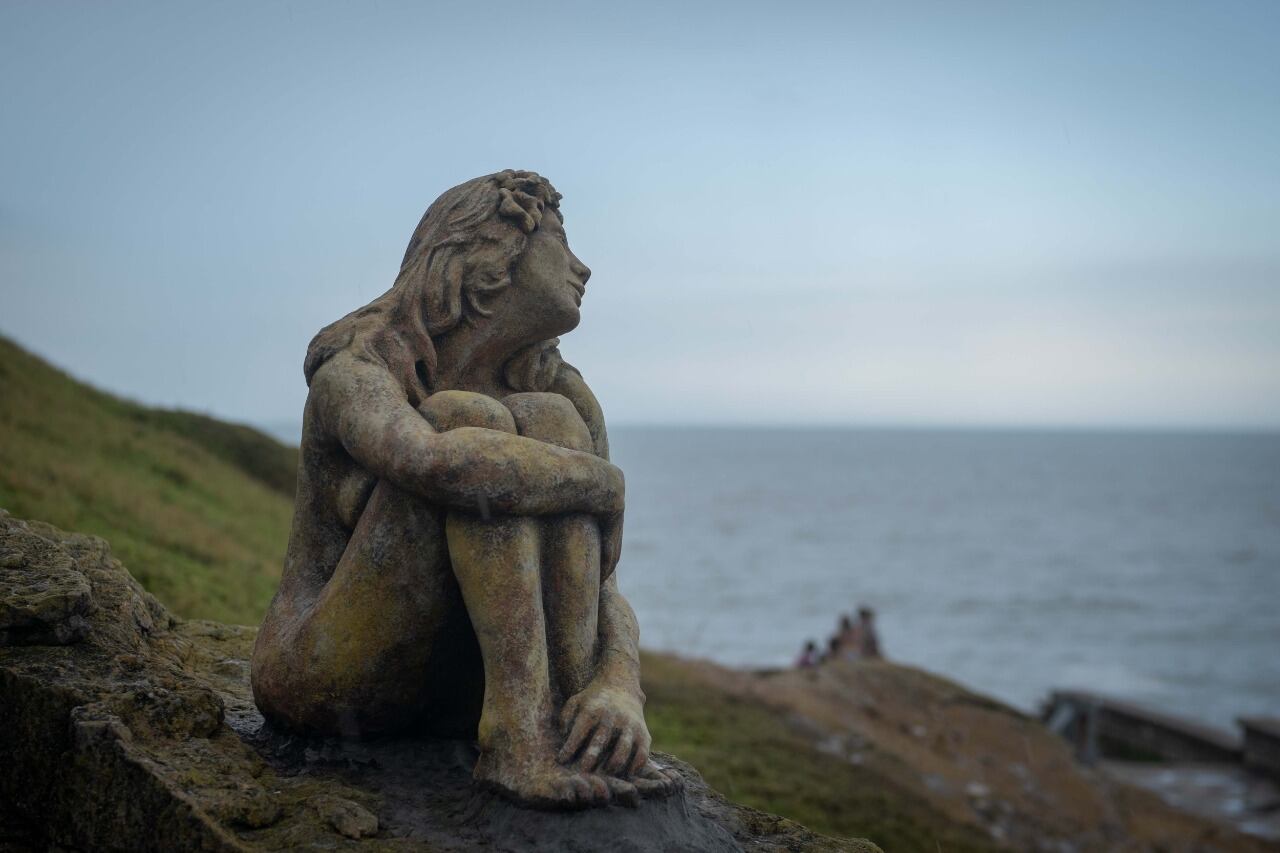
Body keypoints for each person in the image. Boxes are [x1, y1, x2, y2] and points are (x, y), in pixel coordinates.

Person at [251, 171, 677, 809]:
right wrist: (604, 484)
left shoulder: (562, 397)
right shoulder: (358, 371)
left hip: (453, 691)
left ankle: (557, 727)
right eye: (560, 241)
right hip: (329, 677)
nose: (583, 268)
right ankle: (515, 739)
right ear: (491, 252)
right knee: (462, 423)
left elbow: (602, 593)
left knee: (545, 427)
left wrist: (619, 686)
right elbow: (440, 467)